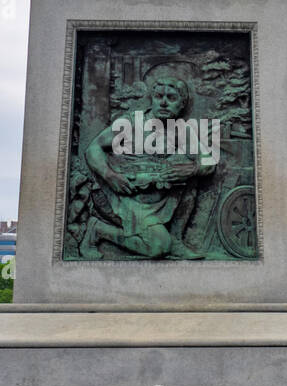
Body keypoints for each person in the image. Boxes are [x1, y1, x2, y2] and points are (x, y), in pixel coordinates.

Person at [81, 76, 214, 260]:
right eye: (159, 96)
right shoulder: (131, 123)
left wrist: (192, 169)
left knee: (189, 168)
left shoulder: (182, 131)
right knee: (158, 247)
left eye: (171, 98)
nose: (164, 103)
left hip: (157, 199)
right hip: (122, 196)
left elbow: (209, 161)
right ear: (152, 98)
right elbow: (93, 149)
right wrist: (109, 175)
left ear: (182, 104)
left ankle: (176, 240)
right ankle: (98, 230)